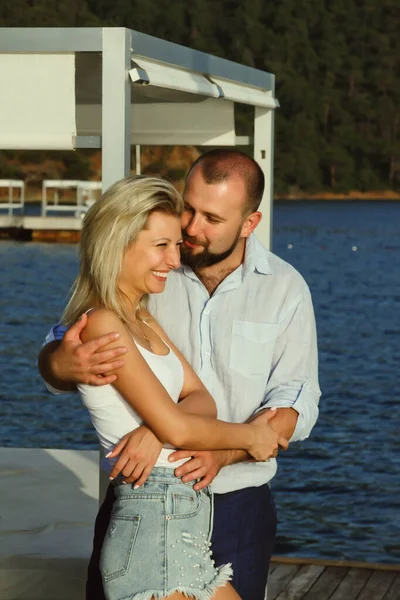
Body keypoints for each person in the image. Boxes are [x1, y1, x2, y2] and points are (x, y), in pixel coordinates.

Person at [38, 150, 321, 600]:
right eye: (188, 207)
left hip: (236, 502)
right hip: (144, 501)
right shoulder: (148, 278)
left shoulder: (284, 289)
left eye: (211, 217)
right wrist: (57, 364)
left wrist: (220, 449)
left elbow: (295, 402)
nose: (190, 229)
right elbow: (64, 345)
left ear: (249, 223)